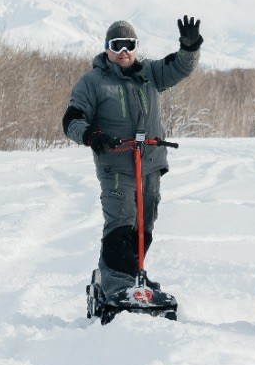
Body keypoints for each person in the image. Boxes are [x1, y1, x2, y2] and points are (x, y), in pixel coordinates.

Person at [63, 16, 202, 297]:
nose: (124, 51)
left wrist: (189, 47)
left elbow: (179, 67)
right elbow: (72, 119)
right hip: (116, 164)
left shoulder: (150, 73)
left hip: (150, 161)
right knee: (122, 219)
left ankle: (134, 274)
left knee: (144, 223)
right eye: (117, 45)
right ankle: (117, 282)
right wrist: (92, 135)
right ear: (107, 49)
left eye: (130, 45)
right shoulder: (93, 82)